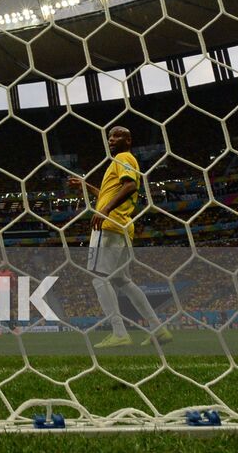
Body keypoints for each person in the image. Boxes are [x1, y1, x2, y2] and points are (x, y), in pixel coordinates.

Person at [69, 126, 172, 348]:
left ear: (128, 140)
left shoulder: (124, 157)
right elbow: (110, 193)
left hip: (110, 225)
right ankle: (158, 330)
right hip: (122, 227)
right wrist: (86, 187)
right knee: (122, 280)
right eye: (109, 137)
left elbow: (130, 186)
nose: (112, 140)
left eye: (117, 136)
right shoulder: (117, 163)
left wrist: (104, 211)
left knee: (98, 276)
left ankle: (119, 332)